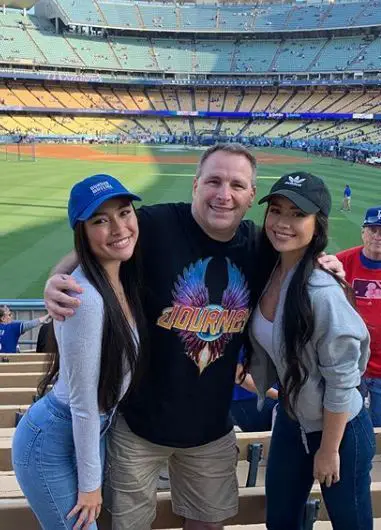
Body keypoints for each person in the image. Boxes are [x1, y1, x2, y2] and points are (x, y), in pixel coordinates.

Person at [44, 145, 344, 530]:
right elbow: (93, 244)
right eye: (214, 181)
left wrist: (324, 260)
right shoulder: (153, 225)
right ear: (195, 185)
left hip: (211, 431)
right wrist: (57, 279)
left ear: (252, 195)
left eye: (237, 184)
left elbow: (302, 253)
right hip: (137, 425)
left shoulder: (261, 246)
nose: (224, 194)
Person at [12, 174, 147, 530]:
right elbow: (84, 402)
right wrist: (91, 486)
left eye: (124, 212)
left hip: (88, 432)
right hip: (54, 440)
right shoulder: (85, 298)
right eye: (100, 220)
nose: (118, 227)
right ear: (82, 233)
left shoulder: (122, 277)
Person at [249, 172, 374, 530]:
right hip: (292, 419)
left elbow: (342, 379)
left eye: (296, 214)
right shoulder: (268, 268)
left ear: (317, 223)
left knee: (351, 524)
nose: (283, 223)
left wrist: (329, 448)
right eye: (276, 210)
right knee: (281, 521)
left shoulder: (321, 291)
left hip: (340, 429)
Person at [337, 206, 381, 427]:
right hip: (350, 365)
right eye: (373, 229)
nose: (378, 236)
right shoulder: (342, 263)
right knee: (348, 426)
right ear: (363, 232)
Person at [231, 349, 278, 432]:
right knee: (262, 440)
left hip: (272, 391)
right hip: (247, 399)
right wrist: (278, 395)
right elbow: (239, 377)